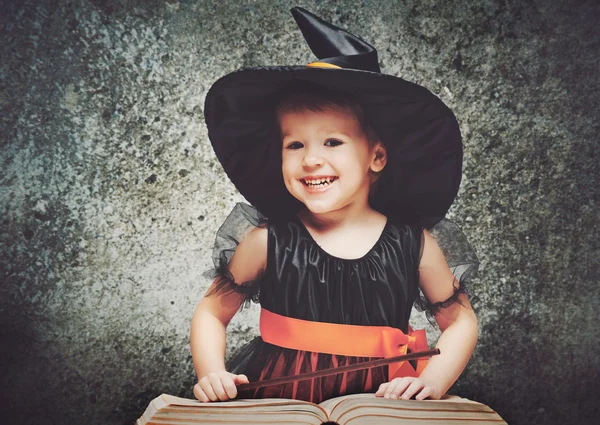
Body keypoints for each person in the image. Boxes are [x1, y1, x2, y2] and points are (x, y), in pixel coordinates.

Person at [191, 7, 479, 404]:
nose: (310, 159)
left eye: (332, 142)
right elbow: (211, 312)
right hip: (280, 398)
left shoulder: (415, 244)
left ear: (376, 157)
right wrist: (211, 373)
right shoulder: (265, 242)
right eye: (295, 145)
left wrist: (435, 381)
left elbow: (460, 320)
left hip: (381, 403)